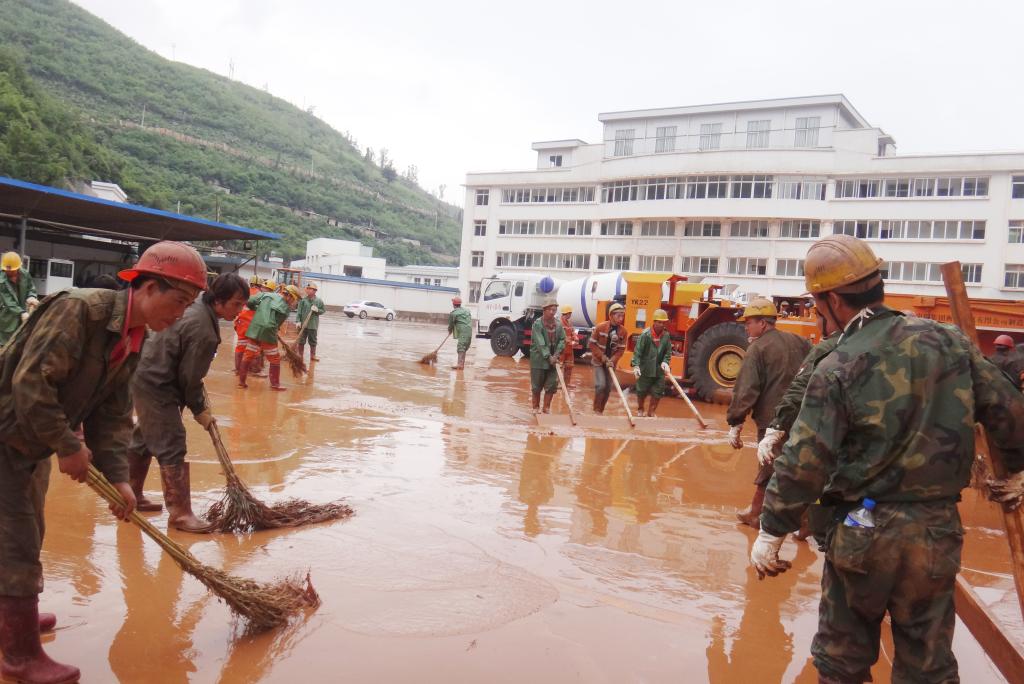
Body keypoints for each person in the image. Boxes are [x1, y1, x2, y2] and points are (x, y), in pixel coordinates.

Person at [752, 234, 1024, 684]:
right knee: (928, 666)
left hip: (861, 528)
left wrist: (772, 528)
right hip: (935, 532)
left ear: (832, 299)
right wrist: (1017, 469)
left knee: (842, 662)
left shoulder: (837, 364)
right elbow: (1011, 415)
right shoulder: (949, 342)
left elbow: (805, 461)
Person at [0, 241, 207, 684]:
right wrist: (66, 445)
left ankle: (12, 617)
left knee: (26, 531)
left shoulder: (133, 337)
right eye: (179, 301)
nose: (181, 314)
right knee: (17, 540)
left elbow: (112, 415)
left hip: (28, 441)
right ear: (148, 287)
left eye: (189, 306)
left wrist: (119, 479)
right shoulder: (81, 310)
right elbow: (31, 383)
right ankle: (18, 654)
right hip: (8, 436)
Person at [127, 273, 249, 532]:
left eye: (242, 304)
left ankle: (131, 495)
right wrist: (200, 409)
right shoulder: (203, 329)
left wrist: (196, 401)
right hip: (157, 382)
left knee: (145, 437)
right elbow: (190, 379)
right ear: (219, 301)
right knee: (172, 442)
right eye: (236, 304)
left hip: (147, 371)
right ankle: (180, 514)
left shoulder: (196, 306)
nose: (240, 310)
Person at [726, 297, 810, 529]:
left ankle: (757, 514)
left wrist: (735, 422)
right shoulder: (799, 341)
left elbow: (746, 389)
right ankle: (805, 520)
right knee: (799, 466)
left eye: (749, 322)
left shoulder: (757, 348)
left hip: (772, 419)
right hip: (802, 415)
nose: (746, 327)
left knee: (768, 464)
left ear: (763, 323)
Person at [237, 284, 301, 391]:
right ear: (289, 296)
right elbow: (277, 324)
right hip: (268, 332)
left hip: (255, 328)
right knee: (275, 358)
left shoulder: (266, 295)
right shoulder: (286, 308)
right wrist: (274, 331)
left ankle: (241, 383)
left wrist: (257, 310)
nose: (294, 303)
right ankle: (275, 384)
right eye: (294, 300)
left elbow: (250, 301)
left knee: (248, 354)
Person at [630, 309, 673, 417]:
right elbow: (637, 352)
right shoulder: (645, 335)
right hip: (645, 368)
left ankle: (651, 412)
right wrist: (636, 366)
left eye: (663, 322)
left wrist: (665, 362)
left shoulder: (666, 336)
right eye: (659, 322)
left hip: (659, 369)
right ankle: (640, 409)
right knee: (641, 390)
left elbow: (668, 352)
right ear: (654, 322)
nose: (661, 325)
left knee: (658, 391)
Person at [588, 302, 627, 414]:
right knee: (601, 385)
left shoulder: (623, 331)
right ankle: (596, 410)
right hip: (598, 362)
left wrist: (612, 360)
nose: (621, 318)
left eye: (622, 316)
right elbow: (592, 344)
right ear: (611, 316)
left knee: (608, 388)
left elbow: (621, 350)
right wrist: (602, 357)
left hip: (611, 364)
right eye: (618, 316)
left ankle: (601, 411)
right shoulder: (600, 327)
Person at [529, 301, 566, 414]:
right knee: (537, 385)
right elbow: (540, 343)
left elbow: (562, 340)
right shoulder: (537, 324)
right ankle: (535, 408)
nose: (552, 312)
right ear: (544, 310)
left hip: (554, 360)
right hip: (539, 360)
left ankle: (546, 408)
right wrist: (548, 356)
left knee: (551, 385)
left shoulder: (558, 325)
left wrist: (556, 355)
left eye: (554, 310)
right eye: (550, 310)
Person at [0, 251, 38, 345]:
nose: (9, 272)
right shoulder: (1, 280)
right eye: (7, 270)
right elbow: (9, 302)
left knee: (22, 342)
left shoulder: (25, 274)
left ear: (18, 267)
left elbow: (31, 287)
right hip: (7, 316)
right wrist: (21, 312)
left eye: (12, 270)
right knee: (6, 344)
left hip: (23, 315)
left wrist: (31, 296)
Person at [295, 283, 325, 363]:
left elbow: (323, 310)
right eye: (307, 289)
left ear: (315, 291)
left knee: (313, 341)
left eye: (310, 289)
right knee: (301, 340)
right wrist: (298, 321)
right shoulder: (303, 300)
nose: (307, 290)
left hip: (313, 325)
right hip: (303, 325)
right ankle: (300, 355)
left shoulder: (319, 301)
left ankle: (313, 355)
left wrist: (317, 310)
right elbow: (299, 312)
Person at [447, 296, 472, 370]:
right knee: (464, 347)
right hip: (469, 330)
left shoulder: (453, 313)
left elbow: (451, 324)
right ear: (460, 304)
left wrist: (450, 330)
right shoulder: (467, 310)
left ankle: (460, 365)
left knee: (461, 347)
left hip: (463, 331)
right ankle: (461, 365)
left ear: (453, 304)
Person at [558, 305, 579, 385]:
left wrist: (575, 338)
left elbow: (572, 332)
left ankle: (566, 383)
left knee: (569, 366)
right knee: (559, 366)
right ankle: (558, 384)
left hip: (569, 349)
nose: (570, 315)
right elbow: (559, 336)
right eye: (570, 313)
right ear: (566, 313)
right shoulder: (559, 323)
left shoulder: (569, 323)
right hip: (561, 348)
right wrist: (569, 341)